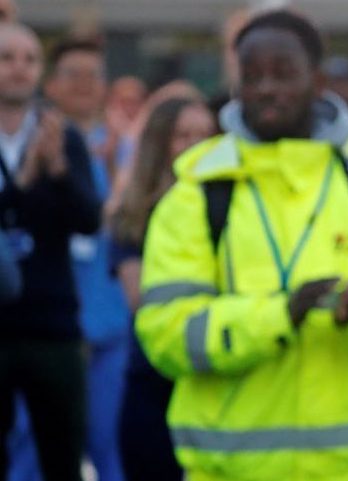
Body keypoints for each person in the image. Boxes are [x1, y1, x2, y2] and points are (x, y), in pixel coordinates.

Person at [135, 10, 348, 481]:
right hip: (226, 472)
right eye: (252, 76)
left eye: (283, 74)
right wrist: (279, 315)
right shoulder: (198, 193)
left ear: (317, 81)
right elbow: (165, 336)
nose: (267, 88)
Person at [0, 22, 101, 481]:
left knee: (63, 455)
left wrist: (57, 170)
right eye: (7, 58)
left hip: (53, 325)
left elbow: (89, 220)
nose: (19, 70)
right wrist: (19, 186)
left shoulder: (61, 134)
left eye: (29, 59)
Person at [110, 96, 215, 481]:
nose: (196, 145)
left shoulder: (231, 210)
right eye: (183, 135)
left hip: (214, 380)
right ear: (160, 144)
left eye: (205, 134)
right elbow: (140, 298)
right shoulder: (135, 214)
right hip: (152, 383)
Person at [43, 37, 131, 481]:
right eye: (72, 74)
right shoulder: (31, 147)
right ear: (51, 84)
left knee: (111, 448)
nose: (83, 84)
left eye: (93, 75)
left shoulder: (125, 151)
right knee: (31, 452)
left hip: (110, 324)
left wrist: (117, 176)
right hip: (47, 328)